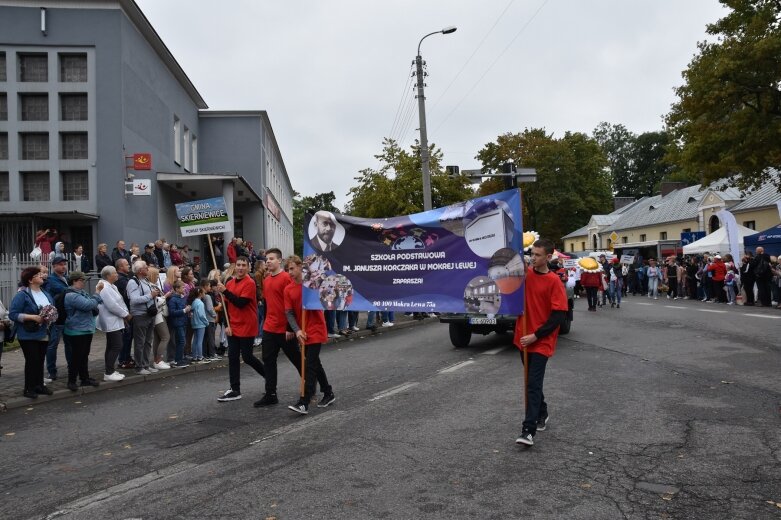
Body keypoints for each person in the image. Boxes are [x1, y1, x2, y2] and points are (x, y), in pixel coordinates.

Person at [514, 239, 568, 447]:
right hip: (523, 338)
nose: (533, 258)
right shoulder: (525, 276)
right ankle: (542, 412)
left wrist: (536, 335)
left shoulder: (554, 281)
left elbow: (558, 317)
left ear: (548, 257)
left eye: (537, 255)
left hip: (541, 341)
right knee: (531, 382)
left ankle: (528, 431)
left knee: (533, 384)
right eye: (532, 254)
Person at [284, 255, 335, 414]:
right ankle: (328, 392)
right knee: (315, 364)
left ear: (300, 267)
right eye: (288, 269)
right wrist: (297, 330)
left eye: (292, 268)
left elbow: (327, 295)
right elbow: (289, 313)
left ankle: (304, 402)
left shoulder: (311, 284)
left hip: (316, 327)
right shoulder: (288, 289)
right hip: (303, 330)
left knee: (310, 365)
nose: (290, 272)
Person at [215, 256, 266, 402]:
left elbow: (241, 303)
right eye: (239, 265)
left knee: (248, 357)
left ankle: (269, 378)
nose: (241, 267)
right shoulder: (229, 283)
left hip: (247, 324)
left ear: (248, 267)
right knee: (232, 357)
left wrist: (225, 291)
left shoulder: (250, 283)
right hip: (233, 326)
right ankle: (235, 389)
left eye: (244, 265)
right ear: (235, 266)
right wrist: (227, 325)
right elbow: (225, 307)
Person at [9, 266, 56, 399]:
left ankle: (39, 385)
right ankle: (28, 388)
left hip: (44, 331)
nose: (42, 276)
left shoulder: (45, 293)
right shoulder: (22, 295)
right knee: (32, 360)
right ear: (30, 280)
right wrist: (31, 317)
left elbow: (51, 309)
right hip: (27, 333)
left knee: (40, 359)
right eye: (38, 274)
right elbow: (13, 314)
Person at [62, 271, 102, 391]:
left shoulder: (81, 292)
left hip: (86, 328)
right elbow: (88, 305)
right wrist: (97, 293)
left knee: (84, 355)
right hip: (76, 330)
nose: (83, 282)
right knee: (76, 357)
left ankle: (85, 378)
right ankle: (72, 381)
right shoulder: (71, 295)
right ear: (74, 281)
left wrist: (94, 300)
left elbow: (93, 303)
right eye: (81, 280)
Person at [95, 265, 129, 382]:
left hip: (115, 319)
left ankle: (110, 370)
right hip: (110, 320)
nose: (117, 274)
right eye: (115, 273)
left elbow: (119, 302)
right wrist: (125, 314)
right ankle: (109, 372)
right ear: (108, 275)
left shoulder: (111, 286)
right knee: (116, 345)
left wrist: (124, 313)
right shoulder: (104, 287)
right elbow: (112, 305)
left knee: (111, 346)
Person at [126, 261, 160, 374]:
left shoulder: (145, 280)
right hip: (140, 315)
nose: (148, 269)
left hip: (150, 314)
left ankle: (146, 364)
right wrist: (151, 295)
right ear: (140, 270)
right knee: (140, 342)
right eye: (146, 268)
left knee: (148, 341)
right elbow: (134, 300)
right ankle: (139, 366)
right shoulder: (133, 282)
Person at [43, 256, 70, 381]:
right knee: (53, 345)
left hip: (67, 315)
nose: (63, 266)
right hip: (57, 318)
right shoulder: (51, 279)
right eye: (60, 264)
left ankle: (72, 367)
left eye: (64, 264)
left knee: (69, 344)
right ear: (54, 266)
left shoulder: (65, 278)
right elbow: (66, 291)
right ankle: (52, 371)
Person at [148, 266, 172, 370]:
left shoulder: (154, 285)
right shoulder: (151, 287)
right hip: (158, 315)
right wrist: (165, 296)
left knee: (158, 338)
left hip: (160, 315)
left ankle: (157, 360)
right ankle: (158, 360)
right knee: (165, 337)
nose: (158, 276)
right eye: (157, 274)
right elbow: (157, 302)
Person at [114, 258, 135, 369]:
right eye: (127, 264)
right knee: (126, 337)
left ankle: (127, 357)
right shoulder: (121, 280)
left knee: (129, 336)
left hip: (128, 311)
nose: (129, 266)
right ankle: (123, 360)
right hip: (125, 312)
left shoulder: (125, 278)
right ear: (120, 267)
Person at [188, 285, 208, 363]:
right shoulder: (200, 303)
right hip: (201, 324)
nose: (204, 293)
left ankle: (194, 356)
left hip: (194, 323)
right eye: (203, 292)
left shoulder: (194, 302)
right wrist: (206, 322)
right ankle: (200, 356)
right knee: (200, 341)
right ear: (200, 293)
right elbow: (202, 315)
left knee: (195, 340)